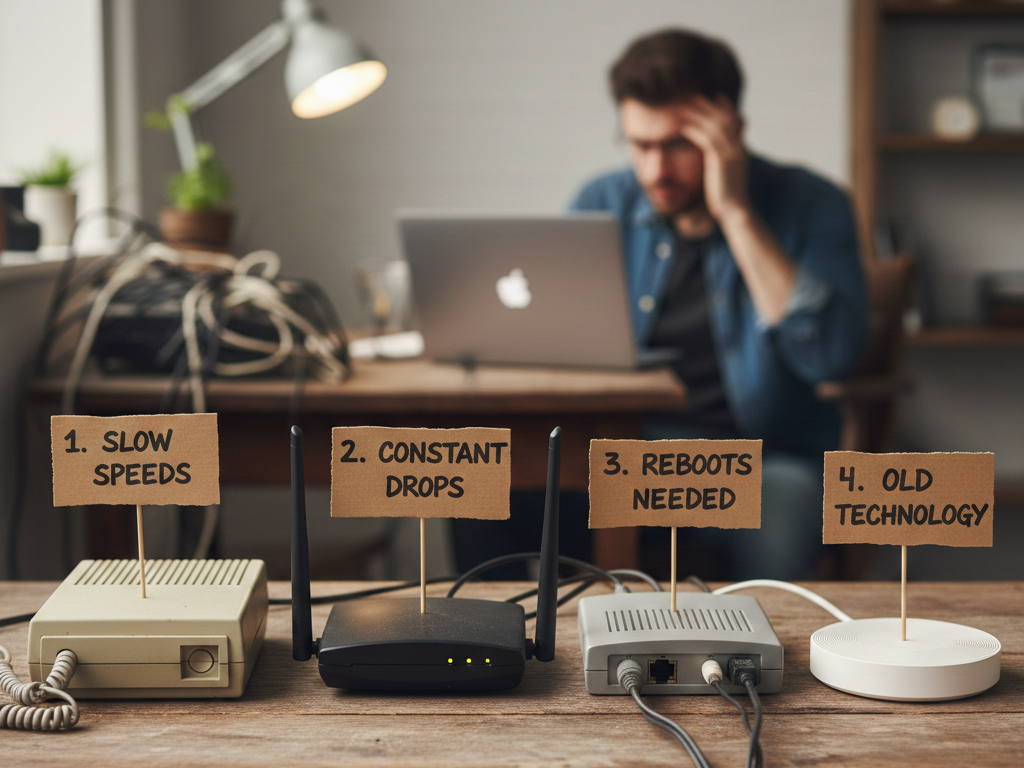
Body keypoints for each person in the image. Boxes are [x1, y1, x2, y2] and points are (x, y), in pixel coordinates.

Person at [569, 29, 867, 580]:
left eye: (678, 145)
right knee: (496, 494)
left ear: (728, 129)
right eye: (639, 145)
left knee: (782, 508)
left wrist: (734, 211)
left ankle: (769, 667)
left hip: (763, 462)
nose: (656, 171)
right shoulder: (599, 204)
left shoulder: (813, 205)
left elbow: (831, 357)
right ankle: (492, 656)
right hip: (623, 456)